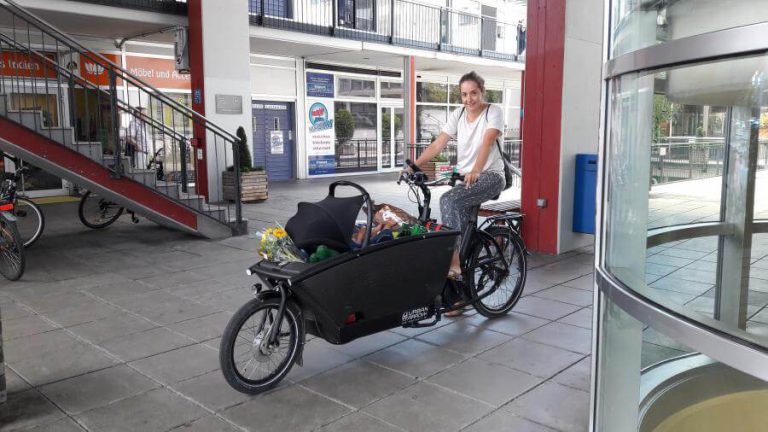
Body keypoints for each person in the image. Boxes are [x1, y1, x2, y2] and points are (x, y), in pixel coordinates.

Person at [407, 71, 505, 309]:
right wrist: (413, 166)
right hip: (467, 179)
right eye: (464, 94)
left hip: (491, 176)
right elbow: (438, 143)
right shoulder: (458, 114)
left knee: (449, 201)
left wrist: (476, 170)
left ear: (482, 91)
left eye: (473, 93)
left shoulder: (494, 111)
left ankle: (455, 280)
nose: (469, 99)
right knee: (453, 214)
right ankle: (461, 268)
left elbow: (487, 142)